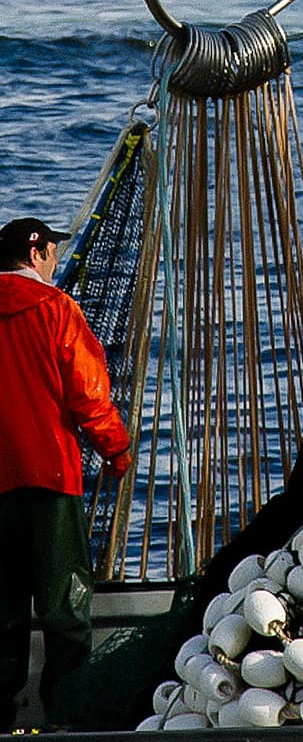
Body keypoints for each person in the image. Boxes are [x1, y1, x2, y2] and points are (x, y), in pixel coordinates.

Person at [0, 217, 132, 731]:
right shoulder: (56, 310)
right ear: (36, 256)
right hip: (50, 477)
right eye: (52, 253)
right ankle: (66, 719)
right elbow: (88, 393)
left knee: (2, 609)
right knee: (65, 608)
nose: (55, 262)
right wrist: (116, 451)